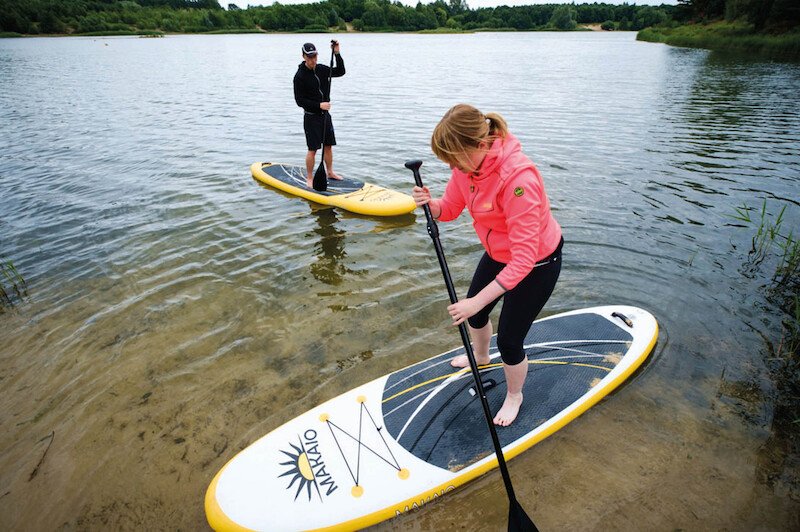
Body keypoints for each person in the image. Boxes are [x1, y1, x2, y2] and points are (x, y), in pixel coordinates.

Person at [412, 104, 563, 427]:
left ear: (481, 145)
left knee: (509, 340)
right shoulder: (466, 167)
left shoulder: (518, 180)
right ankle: (480, 357)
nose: (452, 166)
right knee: (477, 315)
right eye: (447, 160)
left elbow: (524, 259)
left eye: (455, 158)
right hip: (499, 252)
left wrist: (476, 300)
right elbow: (451, 208)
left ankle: (514, 395)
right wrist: (432, 204)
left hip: (537, 262)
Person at [293, 40, 346, 189]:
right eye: (309, 57)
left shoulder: (322, 69)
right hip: (311, 117)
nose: (313, 60)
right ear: (303, 56)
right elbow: (299, 101)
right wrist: (318, 105)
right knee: (313, 149)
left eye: (315, 56)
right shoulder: (299, 76)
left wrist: (336, 52)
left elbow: (340, 71)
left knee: (328, 146)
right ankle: (309, 178)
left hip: (325, 117)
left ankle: (329, 172)